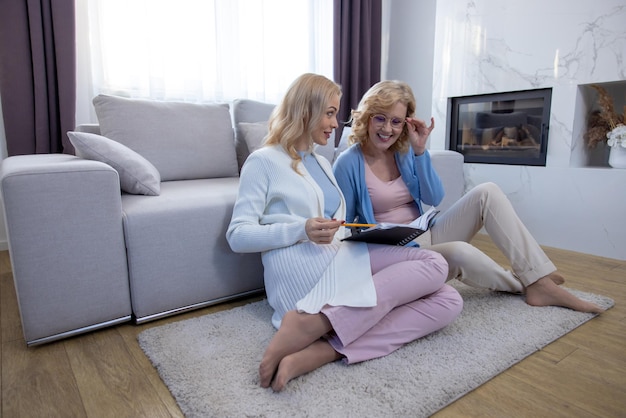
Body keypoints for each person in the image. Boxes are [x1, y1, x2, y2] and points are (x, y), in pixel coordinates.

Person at [226, 73, 463, 392]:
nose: (336, 123)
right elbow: (238, 235)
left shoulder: (320, 162)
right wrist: (302, 228)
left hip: (341, 258)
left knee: (448, 299)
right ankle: (314, 320)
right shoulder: (264, 161)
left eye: (335, 113)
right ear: (304, 110)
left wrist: (369, 231)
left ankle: (326, 346)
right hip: (305, 270)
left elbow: (340, 220)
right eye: (329, 113)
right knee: (435, 265)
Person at [332, 80, 604, 314]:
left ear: (405, 124)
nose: (387, 129)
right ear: (367, 117)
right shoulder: (347, 163)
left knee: (488, 192)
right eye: (380, 118)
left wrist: (419, 151)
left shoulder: (404, 151)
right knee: (461, 253)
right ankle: (533, 284)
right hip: (397, 253)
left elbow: (434, 196)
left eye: (396, 121)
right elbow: (344, 224)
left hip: (427, 233)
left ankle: (536, 276)